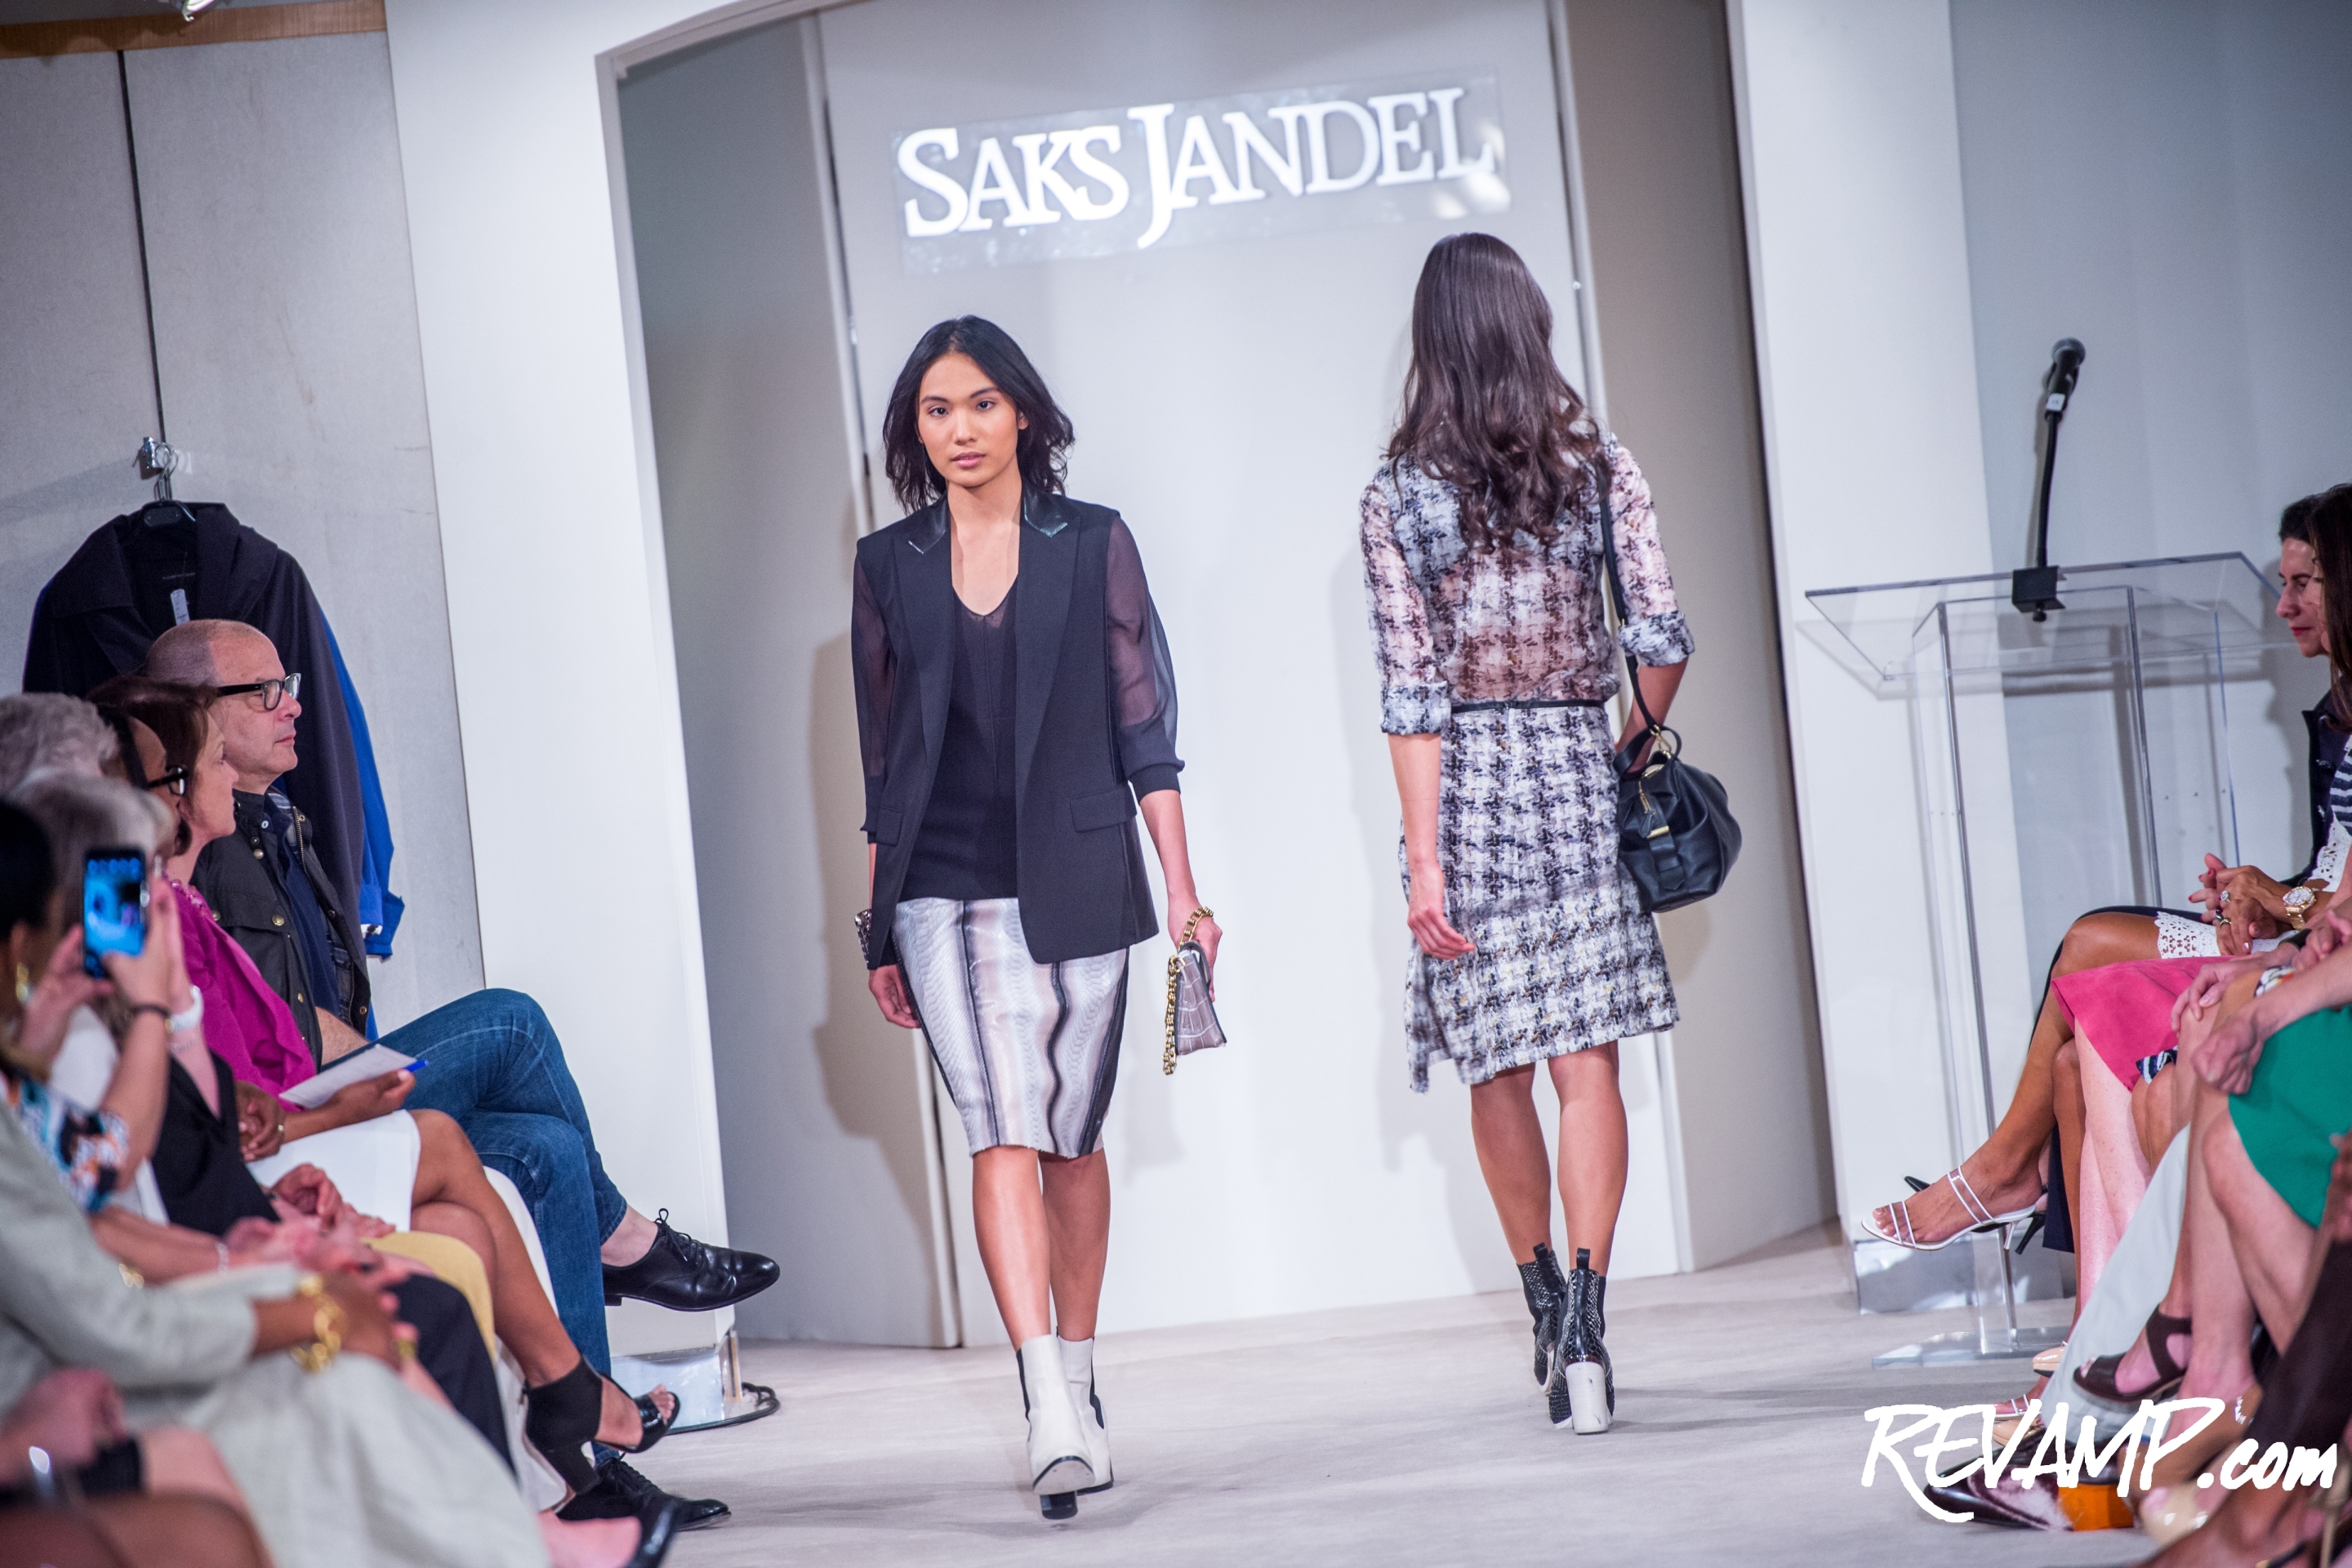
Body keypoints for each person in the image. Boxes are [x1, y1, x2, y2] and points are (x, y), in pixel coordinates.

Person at [0, 799, 679, 1568]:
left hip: (238, 1197)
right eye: (132, 880)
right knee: (496, 1069)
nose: (150, 899)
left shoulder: (178, 937)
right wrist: (296, 1282)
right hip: (160, 1286)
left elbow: (113, 1184)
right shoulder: (104, 1020)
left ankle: (547, 1484)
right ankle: (577, 1395)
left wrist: (262, 1221)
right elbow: (107, 1176)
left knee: (521, 1161)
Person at [853, 315, 1218, 1516]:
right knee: (998, 1128)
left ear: (1022, 413)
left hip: (1080, 876)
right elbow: (882, 765)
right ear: (915, 430)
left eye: (981, 404)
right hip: (940, 886)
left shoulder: (1093, 541)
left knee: (1069, 1138)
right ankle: (1045, 1401)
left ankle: (1080, 1364)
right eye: (937, 410)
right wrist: (875, 926)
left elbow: (1146, 732)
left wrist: (1185, 892)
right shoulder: (888, 564)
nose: (961, 429)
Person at [1361, 234, 1690, 1435]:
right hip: (1573, 769)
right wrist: (1625, 749)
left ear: (1432, 341)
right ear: (1531, 323)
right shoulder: (1596, 464)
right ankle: (1591, 1324)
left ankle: (1547, 1304)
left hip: (1465, 790)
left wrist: (1425, 863)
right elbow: (1662, 638)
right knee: (1586, 1060)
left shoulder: (1396, 495)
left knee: (1494, 1063)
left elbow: (1410, 695)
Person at [1864, 492, 2346, 1258]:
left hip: (2320, 957)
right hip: (2298, 933)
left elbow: (2333, 899)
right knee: (2072, 1031)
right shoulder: (2337, 709)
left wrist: (2280, 904)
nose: (2283, 605)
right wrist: (2258, 898)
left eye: (2303, 584)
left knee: (2089, 944)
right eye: (2282, 584)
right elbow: (2332, 874)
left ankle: (2004, 1173)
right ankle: (2076, 1274)